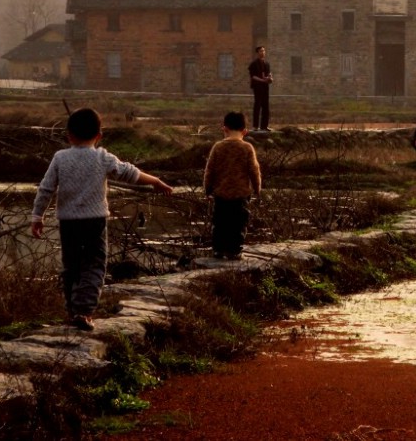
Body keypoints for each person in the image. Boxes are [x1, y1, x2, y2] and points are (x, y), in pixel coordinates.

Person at [31, 107, 173, 331]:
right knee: (94, 265)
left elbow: (45, 189)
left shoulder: (60, 158)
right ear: (99, 135)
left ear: (69, 134)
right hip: (94, 221)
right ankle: (84, 311)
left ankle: (73, 310)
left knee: (72, 267)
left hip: (68, 222)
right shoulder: (102, 157)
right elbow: (130, 173)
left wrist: (37, 216)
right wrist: (155, 181)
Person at [203, 111, 262, 260]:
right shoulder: (247, 148)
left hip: (221, 193)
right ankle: (234, 251)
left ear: (224, 129)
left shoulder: (218, 147)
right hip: (241, 194)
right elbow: (254, 171)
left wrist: (207, 189)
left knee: (220, 223)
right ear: (245, 131)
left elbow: (209, 171)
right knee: (238, 223)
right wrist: (257, 189)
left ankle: (218, 250)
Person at [248, 45, 273, 131]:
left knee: (266, 106)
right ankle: (255, 126)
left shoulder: (267, 64)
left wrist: (270, 78)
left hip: (265, 87)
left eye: (264, 51)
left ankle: (264, 126)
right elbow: (253, 76)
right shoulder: (253, 64)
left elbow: (269, 74)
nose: (263, 52)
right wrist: (262, 80)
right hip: (257, 87)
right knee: (257, 105)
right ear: (257, 53)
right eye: (261, 51)